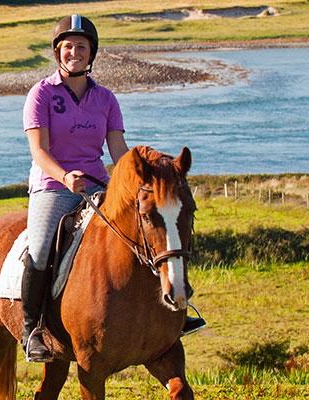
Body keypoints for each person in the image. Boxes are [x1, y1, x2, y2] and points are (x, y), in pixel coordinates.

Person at [19, 14, 205, 363]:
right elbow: (38, 151)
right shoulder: (41, 94)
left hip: (99, 184)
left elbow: (119, 151)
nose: (75, 52)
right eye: (68, 46)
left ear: (92, 54)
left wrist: (138, 182)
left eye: (82, 47)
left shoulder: (105, 99)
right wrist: (63, 177)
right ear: (58, 52)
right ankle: (33, 330)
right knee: (42, 247)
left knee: (145, 234)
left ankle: (173, 311)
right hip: (53, 186)